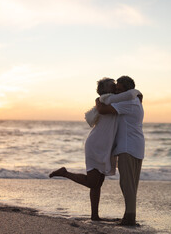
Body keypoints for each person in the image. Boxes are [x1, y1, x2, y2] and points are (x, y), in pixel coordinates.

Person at [49, 77, 141, 221]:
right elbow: (128, 95)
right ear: (104, 90)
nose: (115, 88)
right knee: (93, 182)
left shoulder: (116, 99)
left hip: (104, 146)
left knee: (97, 183)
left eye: (116, 86)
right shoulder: (106, 99)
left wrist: (137, 95)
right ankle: (65, 173)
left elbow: (129, 96)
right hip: (96, 144)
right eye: (112, 86)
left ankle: (94, 216)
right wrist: (137, 92)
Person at [96, 76, 144, 226]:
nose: (116, 93)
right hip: (135, 145)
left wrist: (97, 101)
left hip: (128, 147)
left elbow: (103, 110)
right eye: (116, 89)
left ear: (127, 90)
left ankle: (129, 218)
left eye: (119, 90)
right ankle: (129, 215)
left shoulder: (128, 102)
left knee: (126, 183)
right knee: (131, 184)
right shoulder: (134, 101)